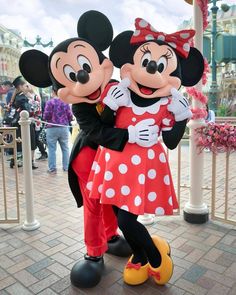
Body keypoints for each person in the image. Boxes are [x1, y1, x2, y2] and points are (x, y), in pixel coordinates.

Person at [10, 76, 38, 169]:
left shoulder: (18, 97)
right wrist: (31, 97)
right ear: (21, 87)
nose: (28, 87)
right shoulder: (21, 98)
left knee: (22, 142)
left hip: (22, 123)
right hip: (24, 123)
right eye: (26, 85)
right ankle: (22, 161)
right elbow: (31, 110)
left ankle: (17, 161)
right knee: (25, 142)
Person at [43, 89, 73, 173]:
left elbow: (46, 115)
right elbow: (70, 115)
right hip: (63, 127)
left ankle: (52, 168)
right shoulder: (65, 102)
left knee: (52, 149)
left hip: (51, 128)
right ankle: (66, 167)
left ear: (53, 91)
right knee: (65, 148)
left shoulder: (50, 102)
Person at [26, 84, 48, 160]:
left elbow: (36, 110)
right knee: (35, 138)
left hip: (36, 121)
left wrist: (31, 99)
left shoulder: (35, 96)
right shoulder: (30, 96)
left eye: (28, 86)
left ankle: (43, 153)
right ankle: (43, 153)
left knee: (37, 137)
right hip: (32, 120)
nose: (26, 88)